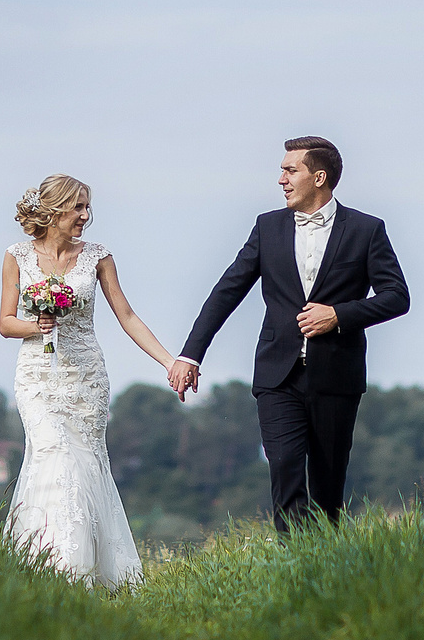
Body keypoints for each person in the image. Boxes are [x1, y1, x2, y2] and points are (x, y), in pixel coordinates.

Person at [171, 137, 410, 531]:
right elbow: (227, 291)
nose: (280, 179)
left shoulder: (367, 230)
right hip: (277, 375)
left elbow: (397, 297)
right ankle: (294, 561)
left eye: (290, 170)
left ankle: (324, 569)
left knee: (328, 485)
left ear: (319, 177)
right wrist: (190, 355)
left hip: (337, 375)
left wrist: (339, 314)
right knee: (284, 469)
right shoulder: (267, 227)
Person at [0, 173, 184, 585]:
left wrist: (169, 361)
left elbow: (128, 317)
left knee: (86, 463)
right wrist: (37, 325)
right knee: (52, 454)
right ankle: (51, 567)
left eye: (87, 207)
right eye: (78, 208)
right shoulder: (17, 256)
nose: (85, 216)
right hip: (37, 378)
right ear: (55, 210)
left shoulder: (98, 256)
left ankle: (91, 571)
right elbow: (6, 323)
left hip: (86, 377)